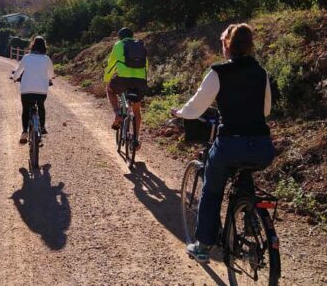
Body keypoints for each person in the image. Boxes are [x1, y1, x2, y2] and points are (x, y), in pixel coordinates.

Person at [170, 23, 275, 263]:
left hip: (230, 145)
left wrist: (179, 113)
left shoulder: (219, 72)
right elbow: (266, 110)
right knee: (245, 173)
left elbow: (197, 106)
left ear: (227, 45)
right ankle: (251, 219)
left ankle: (203, 245)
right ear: (250, 46)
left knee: (212, 188)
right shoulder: (261, 72)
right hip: (262, 147)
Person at [104, 27, 148, 139]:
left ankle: (117, 113)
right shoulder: (140, 45)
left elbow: (112, 64)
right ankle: (136, 139)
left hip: (122, 80)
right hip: (140, 81)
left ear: (120, 37)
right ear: (132, 36)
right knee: (136, 110)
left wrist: (107, 79)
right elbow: (146, 65)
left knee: (110, 89)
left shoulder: (118, 45)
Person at [11, 36, 54, 145]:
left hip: (26, 90)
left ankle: (25, 132)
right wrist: (49, 79)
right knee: (41, 106)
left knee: (25, 109)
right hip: (41, 91)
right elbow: (52, 75)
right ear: (44, 47)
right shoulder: (46, 59)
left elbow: (18, 71)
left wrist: (15, 78)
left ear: (33, 45)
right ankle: (43, 127)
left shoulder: (26, 57)